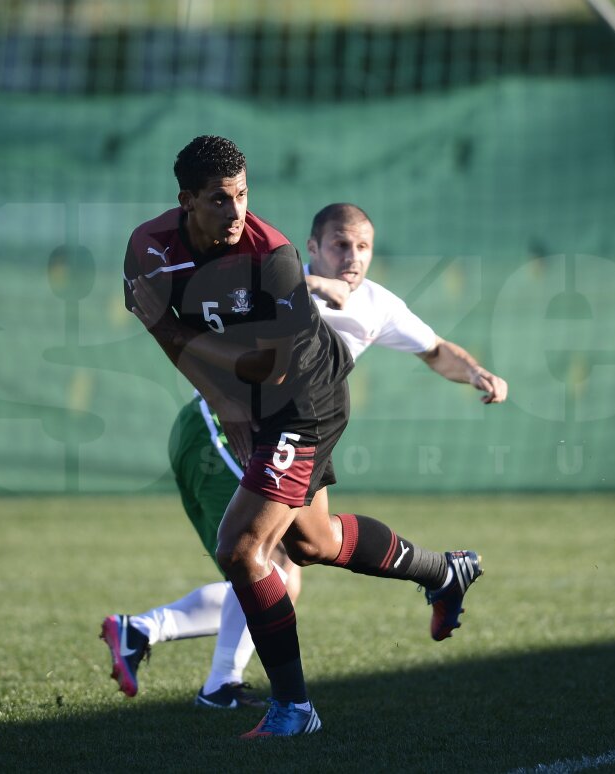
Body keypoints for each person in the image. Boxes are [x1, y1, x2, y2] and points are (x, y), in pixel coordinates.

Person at [119, 136, 501, 738]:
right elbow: (171, 344)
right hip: (252, 404)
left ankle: (293, 709)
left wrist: (179, 334)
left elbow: (262, 369)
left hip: (303, 399)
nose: (237, 210)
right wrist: (222, 402)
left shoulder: (272, 257)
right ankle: (442, 572)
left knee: (242, 551)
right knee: (314, 543)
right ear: (187, 200)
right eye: (221, 199)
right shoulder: (149, 249)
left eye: (244, 195)